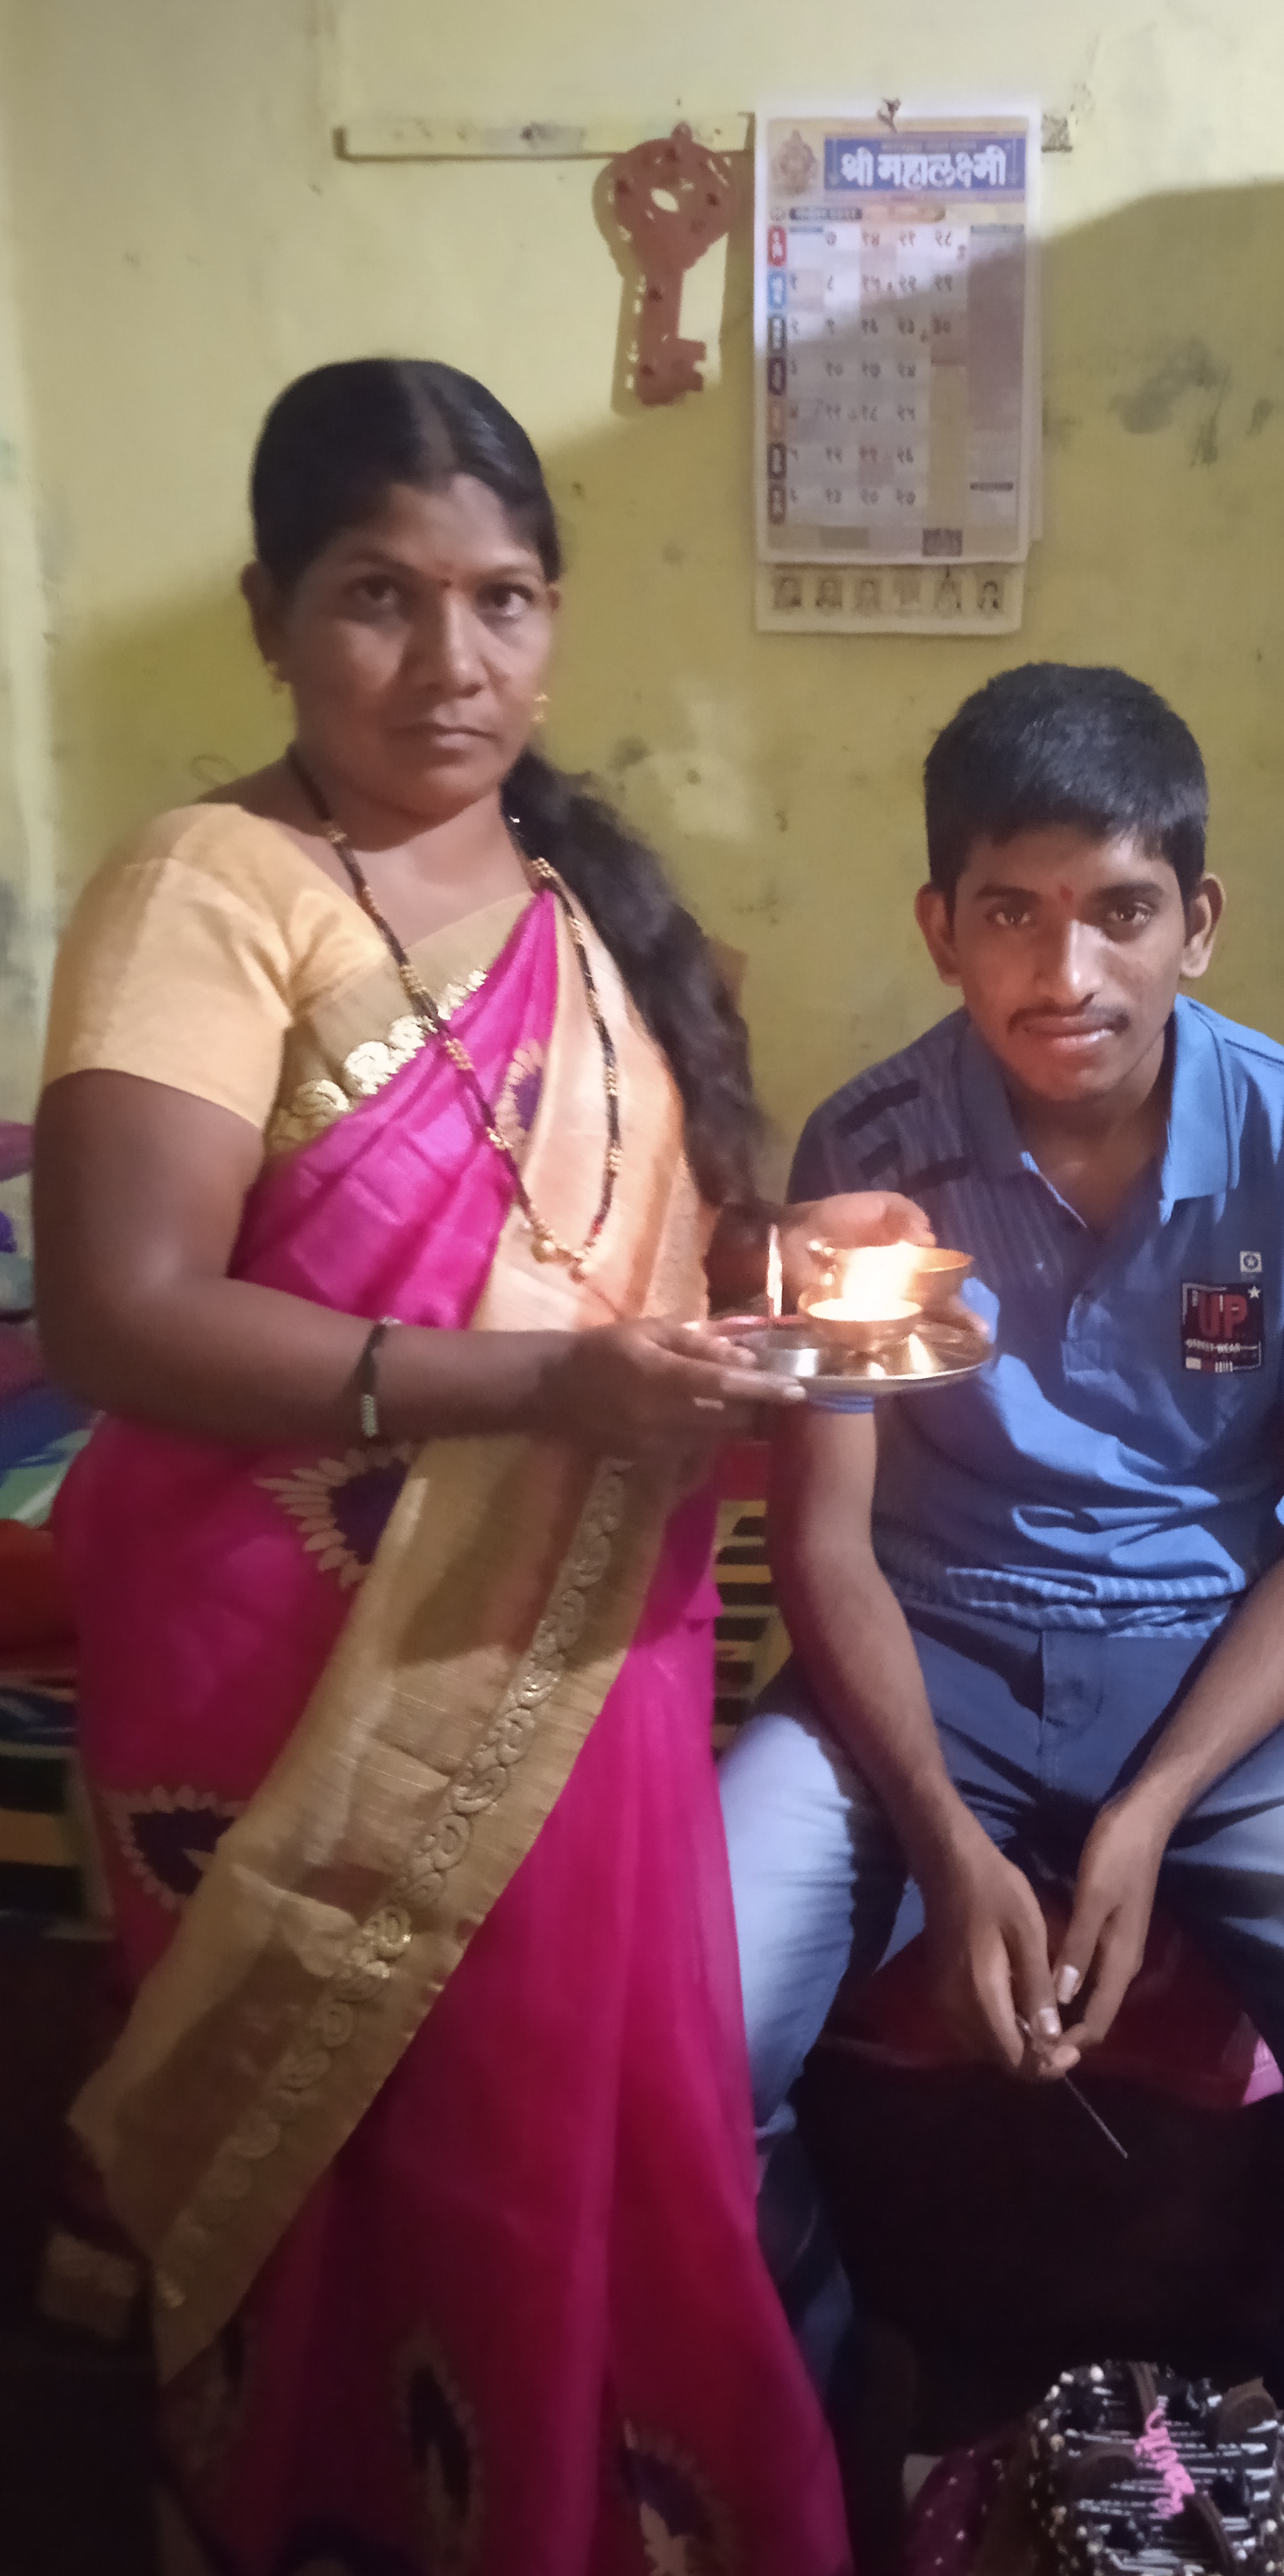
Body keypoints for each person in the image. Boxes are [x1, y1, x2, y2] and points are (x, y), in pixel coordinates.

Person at [31, 357, 909, 2576]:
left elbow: (635, 1267)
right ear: (269, 615)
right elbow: (121, 1314)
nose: (452, 661)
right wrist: (544, 1393)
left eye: (504, 598)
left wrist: (808, 1267)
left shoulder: (578, 901)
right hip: (281, 1679)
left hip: (580, 1656)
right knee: (342, 2194)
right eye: (378, 596)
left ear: (556, 616)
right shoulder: (212, 886)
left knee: (561, 2157)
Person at [718, 663, 1284, 2484]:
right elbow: (826, 1538)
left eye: (1120, 910)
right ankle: (832, 2423)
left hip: (1221, 1674)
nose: (1067, 972)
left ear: (1200, 921)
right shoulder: (869, 1155)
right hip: (926, 1652)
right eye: (1011, 913)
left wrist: (1154, 1806)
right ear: (940, 928)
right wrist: (946, 1837)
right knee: (672, 2045)